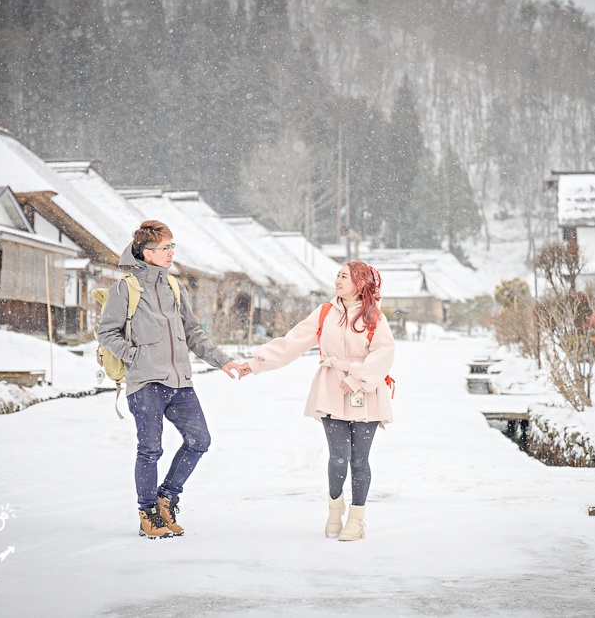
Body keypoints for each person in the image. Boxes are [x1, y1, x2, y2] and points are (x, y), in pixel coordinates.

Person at [98, 220, 243, 539]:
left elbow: (193, 333)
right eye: (165, 248)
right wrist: (136, 356)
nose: (171, 253)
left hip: (180, 384)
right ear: (147, 253)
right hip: (146, 384)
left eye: (172, 246)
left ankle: (167, 498)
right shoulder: (125, 287)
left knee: (200, 440)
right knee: (150, 450)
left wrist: (224, 361)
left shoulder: (174, 287)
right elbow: (106, 332)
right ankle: (148, 513)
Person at [236, 261, 394, 541]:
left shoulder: (374, 317)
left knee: (359, 461)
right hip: (331, 391)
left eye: (344, 276)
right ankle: (335, 512)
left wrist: (358, 378)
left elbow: (384, 353)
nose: (338, 280)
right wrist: (256, 364)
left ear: (360, 283)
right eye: (338, 275)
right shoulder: (324, 313)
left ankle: (356, 520)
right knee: (338, 458)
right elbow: (292, 342)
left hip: (365, 394)